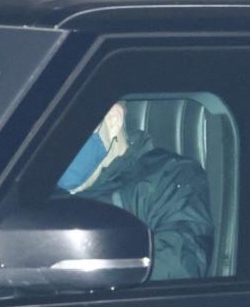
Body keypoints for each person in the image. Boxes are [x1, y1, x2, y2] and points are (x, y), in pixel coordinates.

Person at [58, 102, 214, 279]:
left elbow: (179, 264)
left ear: (113, 120)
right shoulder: (40, 186)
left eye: (71, 133)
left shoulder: (170, 176)